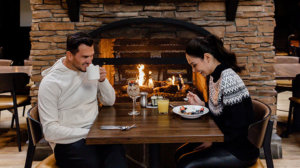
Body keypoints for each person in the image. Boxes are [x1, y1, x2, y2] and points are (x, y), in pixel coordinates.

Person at [38, 32, 127, 168]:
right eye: (85, 57)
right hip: (68, 142)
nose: (90, 61)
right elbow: (50, 131)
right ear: (69, 55)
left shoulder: (89, 70)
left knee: (118, 158)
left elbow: (109, 101)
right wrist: (90, 133)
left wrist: (103, 80)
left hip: (95, 136)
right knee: (93, 164)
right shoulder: (51, 82)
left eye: (91, 56)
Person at [175, 35, 259, 168]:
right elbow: (222, 112)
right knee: (179, 153)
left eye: (194, 65)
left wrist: (213, 141)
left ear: (207, 57)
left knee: (186, 164)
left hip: (239, 150)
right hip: (225, 139)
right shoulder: (213, 77)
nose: (194, 70)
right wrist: (202, 105)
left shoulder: (228, 80)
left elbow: (238, 129)